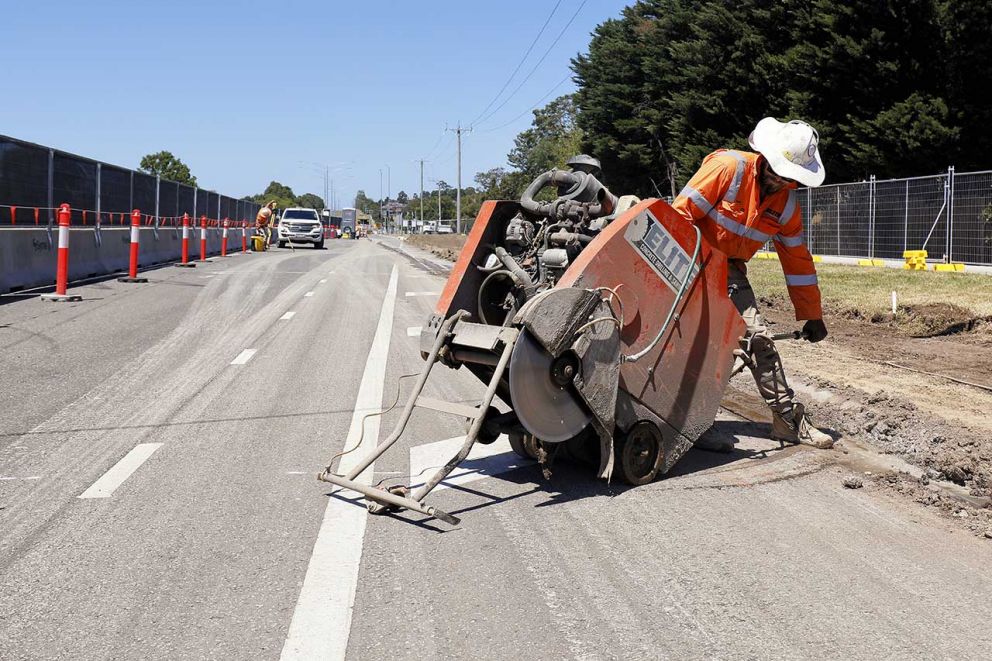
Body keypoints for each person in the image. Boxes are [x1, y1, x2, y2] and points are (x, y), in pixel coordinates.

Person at [672, 117, 833, 449]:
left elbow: (798, 262)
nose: (781, 183)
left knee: (757, 337)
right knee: (689, 342)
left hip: (730, 271)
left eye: (790, 179)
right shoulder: (727, 168)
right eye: (778, 173)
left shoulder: (786, 204)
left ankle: (787, 422)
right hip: (689, 257)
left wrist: (811, 313)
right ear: (765, 156)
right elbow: (679, 217)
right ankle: (686, 422)